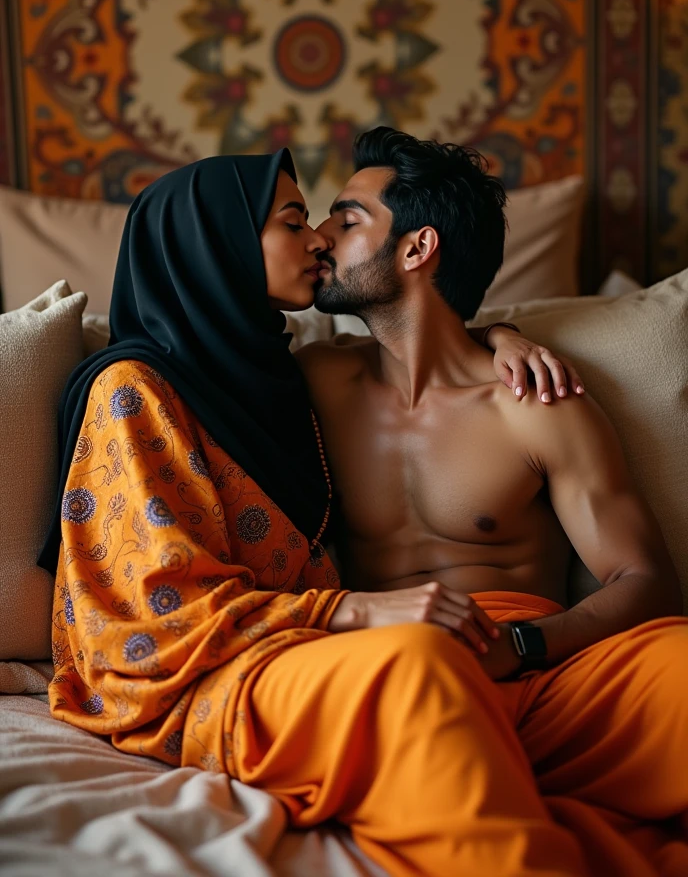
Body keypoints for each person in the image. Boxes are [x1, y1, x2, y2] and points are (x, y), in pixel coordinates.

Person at [40, 149, 584, 877]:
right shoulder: (133, 390)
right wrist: (355, 612)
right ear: (221, 241)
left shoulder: (275, 379)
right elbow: (152, 615)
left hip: (360, 649)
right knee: (419, 664)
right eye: (293, 221)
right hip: (211, 671)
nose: (319, 239)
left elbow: (416, 342)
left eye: (326, 220)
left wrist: (495, 338)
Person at [296, 127, 688, 876]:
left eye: (346, 221)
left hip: (540, 674)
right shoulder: (314, 384)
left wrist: (521, 649)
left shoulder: (533, 402)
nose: (320, 236)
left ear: (417, 249)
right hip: (402, 672)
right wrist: (499, 331)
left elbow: (646, 581)